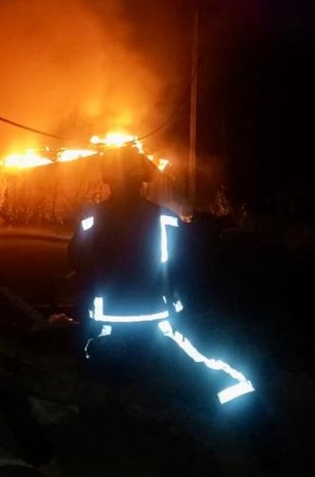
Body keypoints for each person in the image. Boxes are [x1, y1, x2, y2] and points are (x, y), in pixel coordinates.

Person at [68, 146, 255, 405]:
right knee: (196, 375)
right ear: (143, 179)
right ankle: (235, 411)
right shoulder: (165, 218)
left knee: (96, 381)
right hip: (157, 322)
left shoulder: (90, 219)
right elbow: (185, 266)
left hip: (106, 324)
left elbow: (77, 261)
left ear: (107, 178)